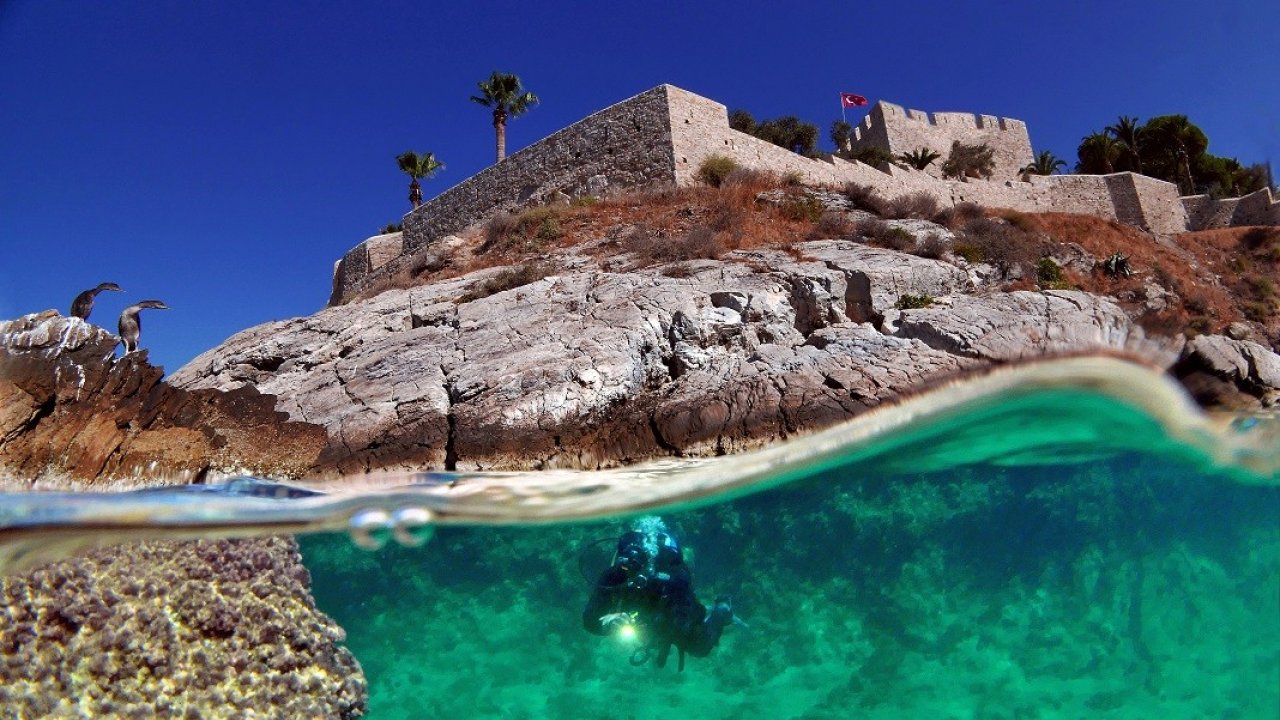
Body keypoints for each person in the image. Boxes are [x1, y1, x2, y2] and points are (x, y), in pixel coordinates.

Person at [582, 517, 734, 671]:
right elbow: (589, 620)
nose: (629, 569)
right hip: (646, 618)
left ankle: (721, 611)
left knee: (699, 647)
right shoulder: (614, 576)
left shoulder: (671, 579)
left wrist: (667, 628)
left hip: (670, 611)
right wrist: (607, 624)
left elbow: (684, 616)